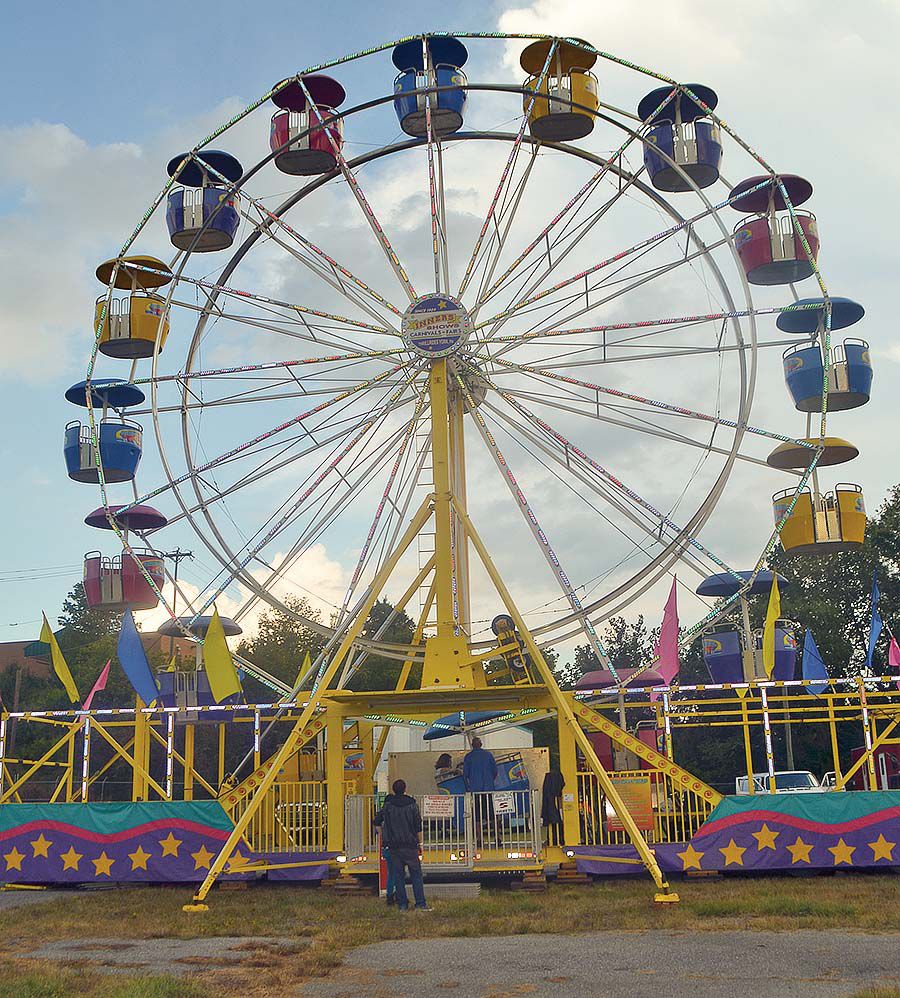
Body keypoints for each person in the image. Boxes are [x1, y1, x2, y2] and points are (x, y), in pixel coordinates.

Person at [373, 779, 432, 912]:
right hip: (410, 846)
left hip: (394, 846)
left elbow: (377, 822)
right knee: (416, 875)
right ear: (405, 788)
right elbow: (418, 826)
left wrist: (385, 836)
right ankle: (420, 904)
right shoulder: (412, 804)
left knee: (398, 876)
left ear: (393, 790)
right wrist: (420, 843)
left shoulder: (388, 805)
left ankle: (402, 905)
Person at [463, 737, 498, 846]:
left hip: (476, 790)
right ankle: (497, 837)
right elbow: (495, 771)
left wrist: (468, 787)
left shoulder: (468, 757)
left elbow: (465, 774)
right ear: (481, 744)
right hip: (488, 789)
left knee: (477, 815)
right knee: (492, 814)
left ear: (472, 745)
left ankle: (479, 838)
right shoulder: (488, 755)